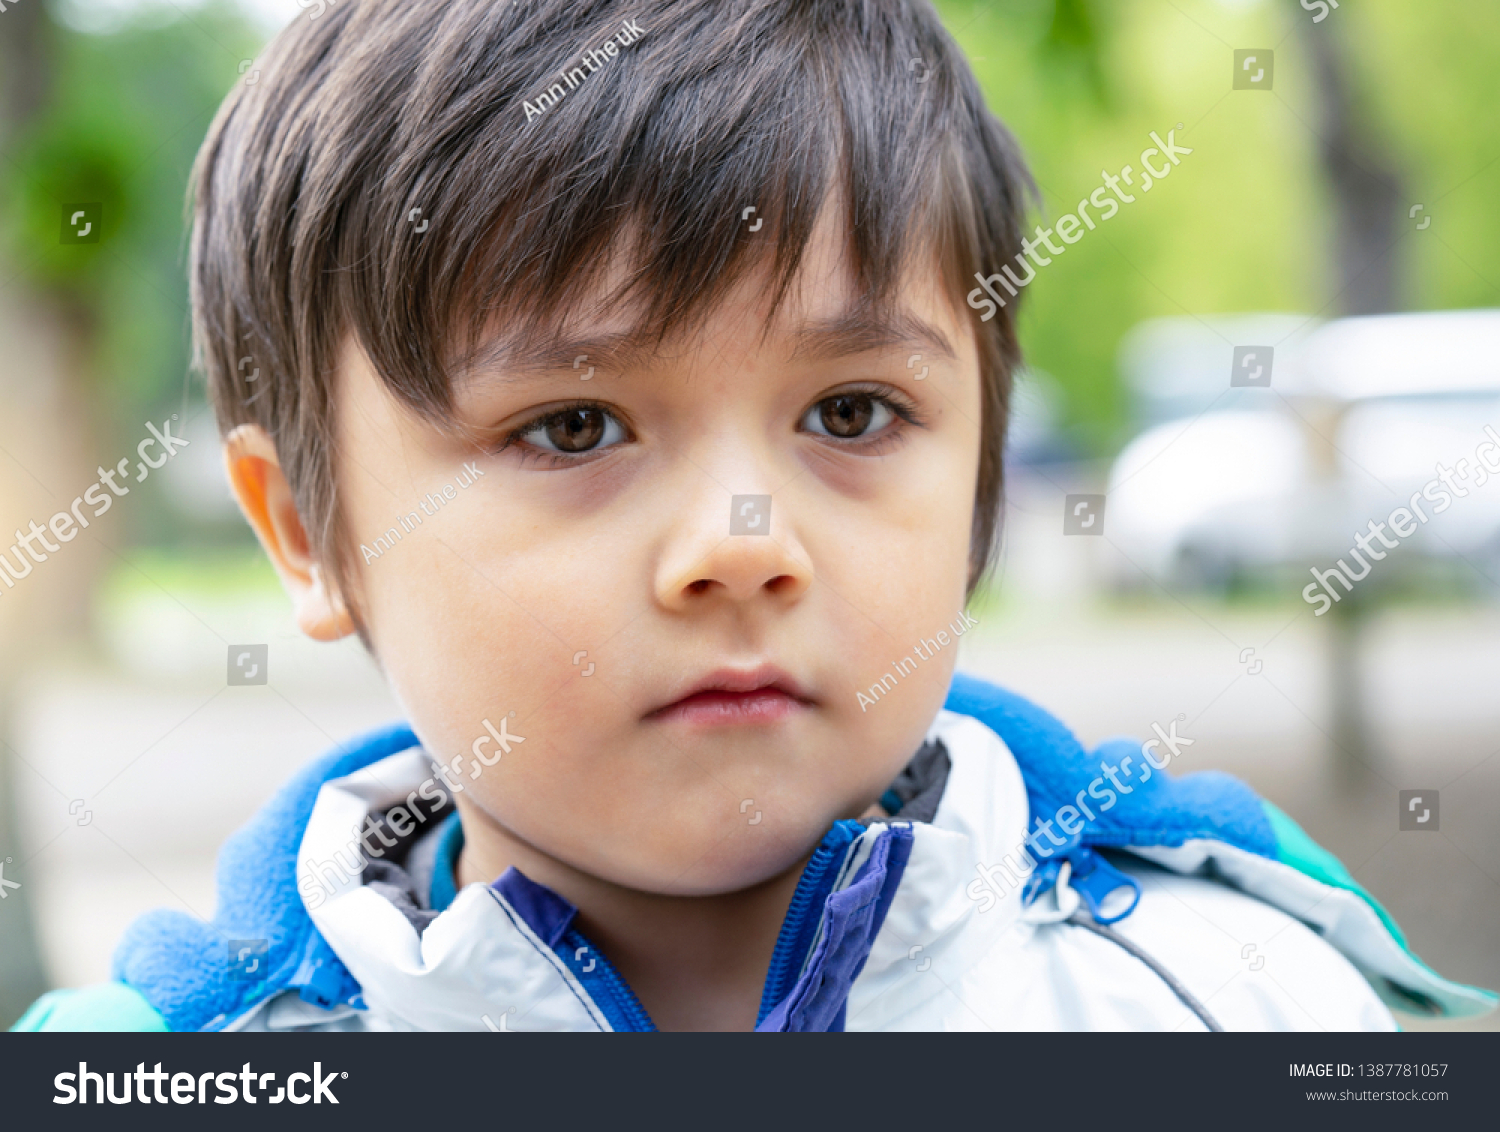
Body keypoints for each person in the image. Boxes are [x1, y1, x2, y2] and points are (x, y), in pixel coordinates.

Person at [15, 0, 1493, 1032]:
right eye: (573, 426)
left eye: (851, 414)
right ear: (304, 532)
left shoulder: (1238, 1002)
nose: (743, 540)